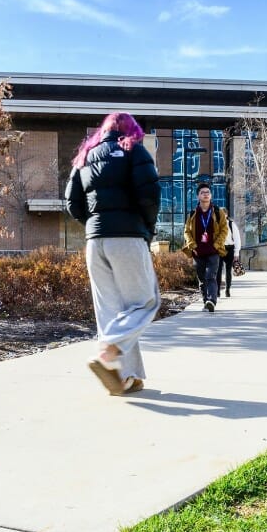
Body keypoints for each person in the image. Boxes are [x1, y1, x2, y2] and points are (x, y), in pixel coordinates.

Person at [65, 111, 161, 396]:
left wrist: (97, 223)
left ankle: (126, 377)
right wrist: (146, 226)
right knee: (145, 302)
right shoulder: (132, 149)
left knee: (111, 311)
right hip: (127, 237)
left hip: (95, 242)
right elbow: (150, 195)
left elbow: (72, 203)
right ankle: (109, 350)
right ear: (130, 130)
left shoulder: (85, 155)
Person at [181, 182, 228, 312]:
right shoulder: (192, 214)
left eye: (208, 192)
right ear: (198, 196)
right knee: (202, 280)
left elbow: (224, 229)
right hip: (198, 252)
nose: (206, 194)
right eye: (203, 193)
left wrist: (217, 244)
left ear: (211, 195)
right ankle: (205, 301)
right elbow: (186, 231)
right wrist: (192, 245)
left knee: (211, 276)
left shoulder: (218, 212)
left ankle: (211, 301)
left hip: (213, 251)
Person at [216, 212, 243, 297]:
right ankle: (217, 291)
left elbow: (237, 239)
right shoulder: (216, 224)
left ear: (226, 215)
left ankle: (227, 289)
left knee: (228, 271)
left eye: (223, 214)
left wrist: (236, 253)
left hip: (230, 248)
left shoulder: (231, 224)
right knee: (218, 271)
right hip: (219, 249)